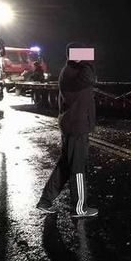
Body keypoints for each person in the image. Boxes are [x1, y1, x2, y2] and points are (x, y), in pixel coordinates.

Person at [36, 43, 98, 217]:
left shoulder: (72, 71)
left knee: (65, 164)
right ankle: (79, 208)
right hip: (76, 125)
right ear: (74, 55)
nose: (87, 56)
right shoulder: (72, 72)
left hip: (74, 123)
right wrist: (85, 61)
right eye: (82, 53)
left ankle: (45, 201)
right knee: (78, 167)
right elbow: (90, 77)